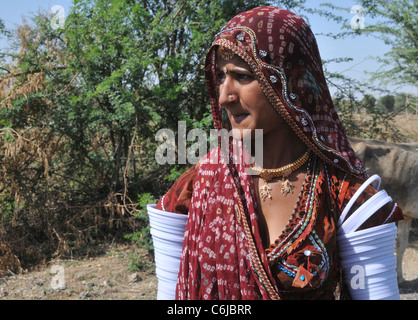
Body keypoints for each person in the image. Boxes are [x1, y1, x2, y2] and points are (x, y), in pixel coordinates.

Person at [155, 6, 403, 300]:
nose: (224, 95)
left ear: (288, 83)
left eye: (243, 77)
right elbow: (171, 296)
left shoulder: (345, 196)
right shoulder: (195, 188)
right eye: (222, 76)